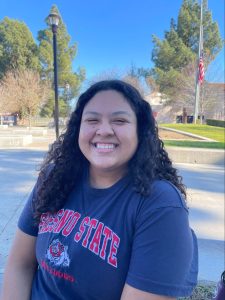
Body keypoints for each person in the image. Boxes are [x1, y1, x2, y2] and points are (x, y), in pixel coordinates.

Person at [1, 80, 198, 300]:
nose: (104, 130)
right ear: (78, 128)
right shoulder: (54, 177)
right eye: (92, 120)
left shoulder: (161, 205)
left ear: (140, 131)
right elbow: (20, 265)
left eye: (119, 120)